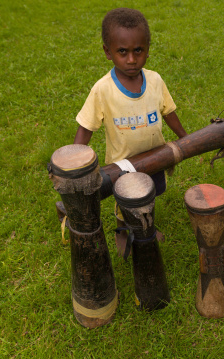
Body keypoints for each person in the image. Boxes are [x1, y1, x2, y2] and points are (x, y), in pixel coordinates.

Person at [73, 8, 187, 256]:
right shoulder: (103, 90)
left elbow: (168, 111)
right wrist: (74, 165)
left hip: (156, 158)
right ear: (107, 52)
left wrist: (185, 138)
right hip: (123, 166)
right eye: (122, 52)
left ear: (147, 48)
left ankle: (147, 227)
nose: (132, 59)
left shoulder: (155, 81)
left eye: (138, 51)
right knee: (125, 203)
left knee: (150, 195)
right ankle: (123, 229)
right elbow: (86, 127)